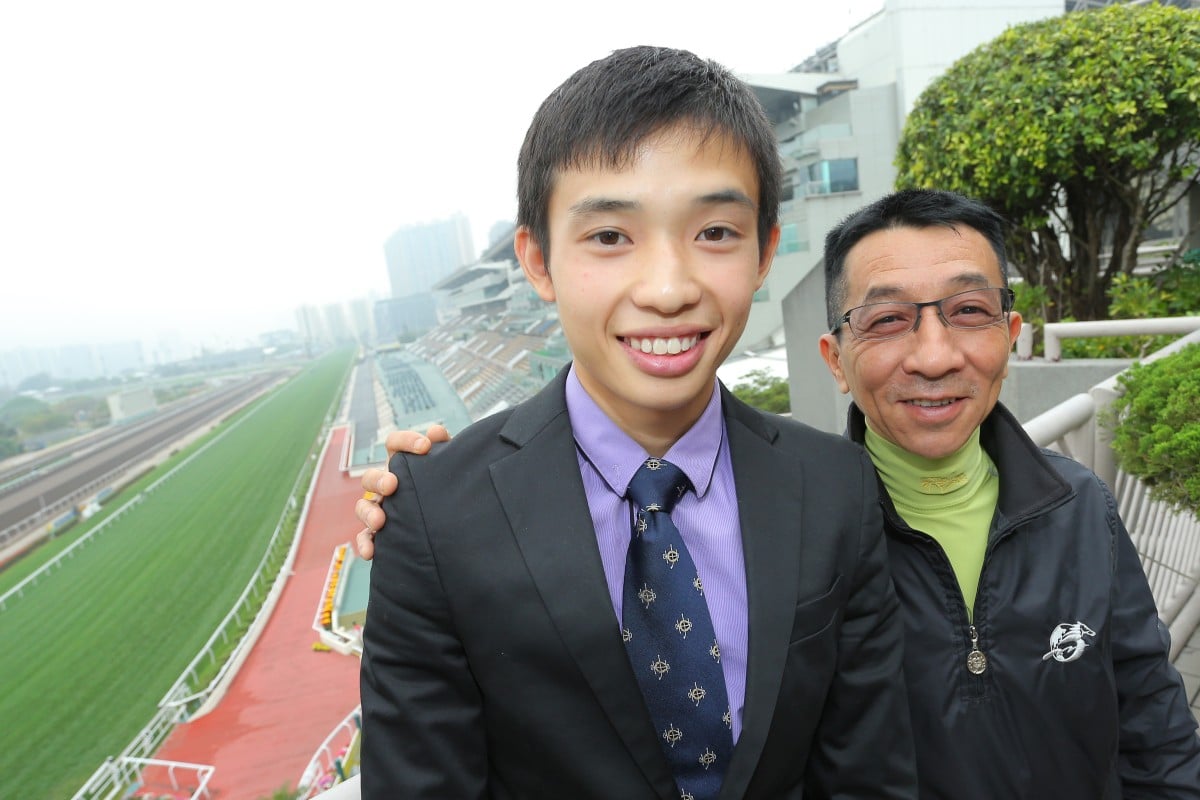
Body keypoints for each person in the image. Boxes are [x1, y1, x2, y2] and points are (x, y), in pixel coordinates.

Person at [360, 188, 1200, 798]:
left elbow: (1158, 736)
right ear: (834, 360)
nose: (936, 355)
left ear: (1011, 338)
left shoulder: (1080, 505)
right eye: (887, 319)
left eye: (969, 312)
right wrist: (453, 493)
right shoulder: (813, 532)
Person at [356, 46, 916, 800]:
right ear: (538, 261)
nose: (667, 288)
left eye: (715, 232)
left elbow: (867, 774)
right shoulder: (433, 515)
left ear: (764, 254)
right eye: (610, 237)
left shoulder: (836, 484)